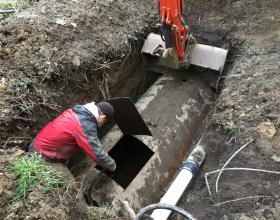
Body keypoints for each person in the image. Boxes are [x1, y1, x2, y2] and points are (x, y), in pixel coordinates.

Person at [29, 101, 116, 172]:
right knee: (66, 182)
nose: (102, 124)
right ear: (103, 118)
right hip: (41, 156)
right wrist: (112, 165)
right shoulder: (85, 124)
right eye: (104, 122)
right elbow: (96, 153)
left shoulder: (78, 111)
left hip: (38, 144)